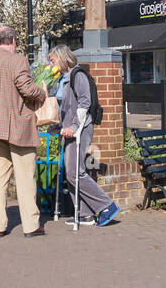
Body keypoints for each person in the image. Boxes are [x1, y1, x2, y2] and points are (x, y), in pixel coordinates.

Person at [0, 26, 47, 238]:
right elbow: (26, 88)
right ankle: (31, 226)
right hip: (18, 128)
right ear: (13, 41)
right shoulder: (18, 60)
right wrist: (42, 93)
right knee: (25, 178)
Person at [48, 45, 120, 226]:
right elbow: (67, 106)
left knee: (75, 172)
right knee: (71, 172)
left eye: (53, 60)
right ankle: (84, 213)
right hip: (69, 130)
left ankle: (106, 205)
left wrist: (73, 126)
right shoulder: (63, 78)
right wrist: (59, 125)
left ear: (63, 58)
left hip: (81, 129)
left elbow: (84, 102)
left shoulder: (77, 75)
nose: (51, 64)